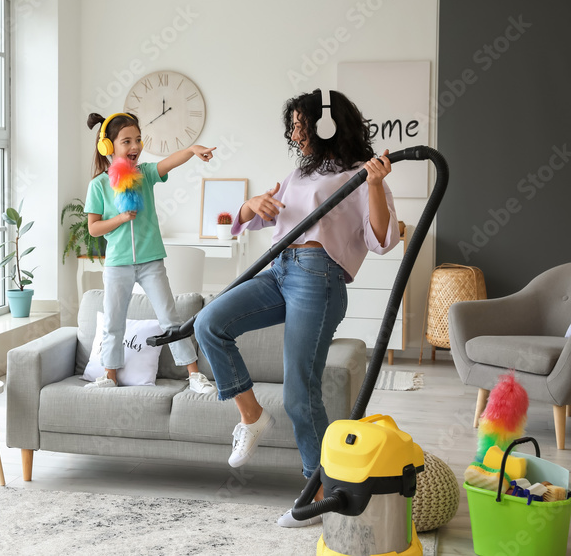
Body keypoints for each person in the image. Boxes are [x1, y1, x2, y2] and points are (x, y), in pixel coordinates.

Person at [193, 89, 398, 528]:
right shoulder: (297, 175)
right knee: (209, 322)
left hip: (317, 276)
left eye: (300, 126)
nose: (293, 134)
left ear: (326, 126)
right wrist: (252, 205)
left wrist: (376, 186)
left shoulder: (363, 175)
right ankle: (250, 415)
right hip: (278, 268)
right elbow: (251, 218)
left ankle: (321, 493)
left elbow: (382, 240)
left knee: (299, 393)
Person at [83, 111, 216, 394]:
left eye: (138, 139)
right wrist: (119, 219)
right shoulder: (98, 185)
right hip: (118, 264)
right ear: (108, 147)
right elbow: (94, 228)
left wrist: (192, 151)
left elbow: (170, 162)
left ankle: (193, 375)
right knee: (113, 321)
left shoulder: (144, 175)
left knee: (170, 318)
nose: (135, 147)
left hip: (150, 260)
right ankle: (110, 374)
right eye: (126, 141)